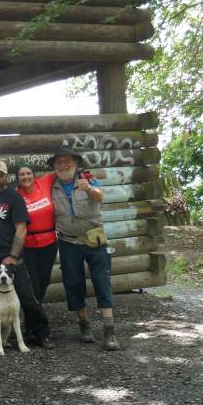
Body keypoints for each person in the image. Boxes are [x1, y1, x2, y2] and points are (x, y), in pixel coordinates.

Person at [0, 160, 52, 351]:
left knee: (28, 298)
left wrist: (13, 256)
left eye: (1, 176)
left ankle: (41, 333)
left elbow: (21, 228)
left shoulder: (14, 197)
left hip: (10, 259)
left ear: (6, 178)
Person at [48, 146, 120, 350]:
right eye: (59, 162)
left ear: (76, 163)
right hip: (68, 242)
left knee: (102, 281)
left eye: (67, 161)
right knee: (73, 283)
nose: (63, 165)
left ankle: (109, 331)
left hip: (95, 240)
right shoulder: (51, 185)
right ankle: (84, 324)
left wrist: (88, 188)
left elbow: (99, 196)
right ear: (54, 166)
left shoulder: (87, 177)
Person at [16, 161, 59, 349]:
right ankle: (42, 332)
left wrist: (85, 175)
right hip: (28, 247)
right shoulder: (16, 195)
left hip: (49, 244)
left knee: (42, 284)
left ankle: (30, 327)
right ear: (17, 179)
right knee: (32, 288)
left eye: (28, 173)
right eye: (21, 175)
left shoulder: (45, 182)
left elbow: (61, 170)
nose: (26, 177)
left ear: (34, 175)